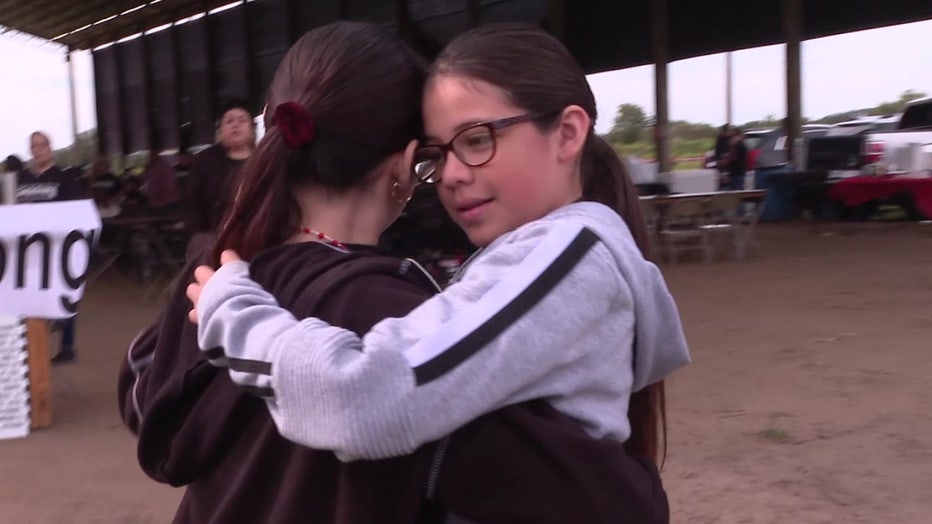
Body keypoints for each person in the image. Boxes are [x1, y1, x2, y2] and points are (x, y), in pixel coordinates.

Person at [119, 22, 672, 523]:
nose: (452, 174)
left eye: (477, 140)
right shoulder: (382, 308)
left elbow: (145, 387)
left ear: (569, 132)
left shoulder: (219, 273)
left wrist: (228, 308)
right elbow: (600, 497)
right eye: (439, 152)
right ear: (405, 166)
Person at [17, 132, 84, 364]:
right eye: (33, 146)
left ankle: (67, 346)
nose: (37, 150)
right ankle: (33, 346)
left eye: (41, 145)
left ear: (50, 148)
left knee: (64, 295)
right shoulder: (23, 180)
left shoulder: (65, 178)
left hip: (59, 248)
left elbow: (76, 212)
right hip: (30, 250)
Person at [184, 100, 256, 237]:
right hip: (216, 240)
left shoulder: (266, 159)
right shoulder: (204, 162)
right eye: (229, 121)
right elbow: (193, 207)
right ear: (220, 131)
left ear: (253, 129)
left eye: (242, 120)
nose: (235, 125)